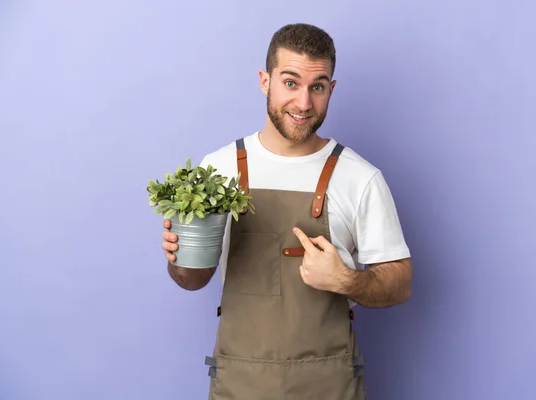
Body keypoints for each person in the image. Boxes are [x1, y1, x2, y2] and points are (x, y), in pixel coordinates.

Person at [161, 23, 412, 399]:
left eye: (318, 87)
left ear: (331, 89)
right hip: (239, 384)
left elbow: (401, 282)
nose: (304, 103)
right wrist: (179, 257)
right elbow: (192, 280)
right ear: (265, 81)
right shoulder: (218, 170)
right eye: (290, 83)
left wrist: (345, 280)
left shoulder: (360, 177)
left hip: (330, 387)